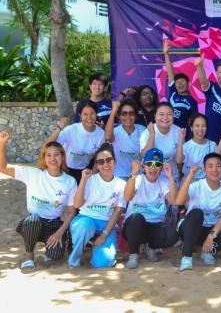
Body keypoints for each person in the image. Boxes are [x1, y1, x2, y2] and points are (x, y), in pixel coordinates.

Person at [0, 132, 77, 271]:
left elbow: (72, 211)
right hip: (34, 222)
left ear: (62, 157)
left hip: (54, 224)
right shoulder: (33, 174)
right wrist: (2, 144)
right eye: (49, 155)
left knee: (55, 256)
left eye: (57, 155)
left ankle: (50, 250)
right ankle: (29, 257)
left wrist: (59, 233)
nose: (53, 158)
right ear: (44, 158)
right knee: (32, 221)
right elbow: (2, 168)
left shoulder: (70, 181)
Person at [68, 143, 126, 268]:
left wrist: (104, 234)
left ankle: (97, 249)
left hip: (106, 224)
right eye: (101, 162)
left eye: (109, 160)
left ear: (114, 161)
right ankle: (75, 257)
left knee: (104, 263)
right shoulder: (89, 180)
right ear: (97, 165)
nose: (105, 164)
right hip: (86, 219)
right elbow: (77, 204)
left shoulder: (121, 184)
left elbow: (117, 213)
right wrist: (83, 180)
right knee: (84, 226)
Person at [175, 153, 221, 271]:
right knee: (197, 213)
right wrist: (190, 176)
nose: (215, 169)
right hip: (190, 229)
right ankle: (186, 257)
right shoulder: (196, 185)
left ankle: (207, 252)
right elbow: (179, 201)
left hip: (211, 230)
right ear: (205, 170)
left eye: (218, 166)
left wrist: (211, 236)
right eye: (210, 166)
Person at [123, 149, 179, 269]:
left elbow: (174, 200)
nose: (153, 168)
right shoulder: (138, 179)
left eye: (157, 164)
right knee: (136, 218)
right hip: (135, 226)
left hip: (155, 225)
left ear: (161, 167)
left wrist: (170, 177)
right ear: (143, 165)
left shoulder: (164, 182)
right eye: (149, 163)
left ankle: (151, 247)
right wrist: (133, 174)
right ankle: (134, 254)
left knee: (172, 234)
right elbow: (127, 197)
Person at [47, 100, 105, 183]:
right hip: (65, 169)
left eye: (92, 113)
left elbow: (98, 159)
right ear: (80, 115)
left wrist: (91, 176)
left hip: (85, 170)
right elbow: (48, 146)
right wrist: (59, 128)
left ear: (96, 114)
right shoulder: (71, 129)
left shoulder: (101, 134)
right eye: (85, 114)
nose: (89, 117)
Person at [104, 100, 145, 180]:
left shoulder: (142, 130)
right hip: (120, 175)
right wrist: (114, 110)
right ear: (119, 116)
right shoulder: (115, 131)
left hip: (138, 174)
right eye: (124, 114)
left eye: (131, 113)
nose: (128, 117)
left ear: (135, 115)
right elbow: (108, 137)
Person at [140, 102, 181, 181]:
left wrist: (179, 174)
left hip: (171, 176)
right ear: (155, 115)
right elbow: (144, 156)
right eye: (161, 114)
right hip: (151, 177)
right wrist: (152, 134)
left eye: (169, 114)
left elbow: (179, 160)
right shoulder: (147, 132)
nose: (165, 117)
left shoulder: (178, 131)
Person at [163, 39, 198, 130]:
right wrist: (166, 54)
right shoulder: (173, 92)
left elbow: (194, 122)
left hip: (181, 134)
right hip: (167, 131)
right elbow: (170, 72)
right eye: (177, 82)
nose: (180, 84)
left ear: (188, 84)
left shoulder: (192, 101)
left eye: (182, 82)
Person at [175, 113, 217, 182]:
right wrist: (181, 139)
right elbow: (178, 160)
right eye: (197, 126)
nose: (200, 129)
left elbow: (216, 162)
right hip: (189, 180)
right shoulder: (186, 146)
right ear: (191, 128)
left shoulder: (212, 145)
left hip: (206, 181)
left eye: (203, 126)